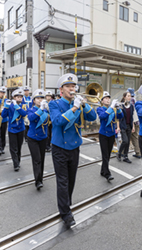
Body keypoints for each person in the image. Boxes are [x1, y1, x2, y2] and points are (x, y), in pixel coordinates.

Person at [49, 73, 97, 227]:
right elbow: (58, 121)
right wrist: (75, 107)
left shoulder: (77, 103)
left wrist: (84, 104)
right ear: (61, 89)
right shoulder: (54, 104)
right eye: (68, 86)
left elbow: (93, 117)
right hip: (59, 147)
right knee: (62, 181)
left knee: (71, 180)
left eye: (73, 86)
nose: (72, 89)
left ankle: (66, 203)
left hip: (74, 146)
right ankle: (65, 213)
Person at [97, 91, 124, 181]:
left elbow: (121, 116)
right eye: (105, 98)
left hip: (112, 134)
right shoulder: (100, 109)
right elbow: (103, 116)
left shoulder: (113, 109)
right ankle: (107, 174)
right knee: (105, 154)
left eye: (109, 98)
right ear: (102, 101)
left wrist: (118, 108)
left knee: (108, 154)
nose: (108, 100)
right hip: (103, 134)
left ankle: (102, 170)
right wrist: (112, 107)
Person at [27, 89, 49, 189]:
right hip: (33, 138)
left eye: (42, 98)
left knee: (42, 159)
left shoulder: (46, 110)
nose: (40, 100)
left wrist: (48, 109)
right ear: (34, 100)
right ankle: (37, 181)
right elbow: (31, 118)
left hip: (43, 137)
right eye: (38, 98)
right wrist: (41, 109)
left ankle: (41, 178)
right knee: (37, 159)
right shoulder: (31, 109)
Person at [2, 88, 28, 171]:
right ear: (14, 97)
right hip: (12, 129)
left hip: (21, 129)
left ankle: (18, 161)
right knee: (13, 148)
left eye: (21, 97)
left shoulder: (23, 105)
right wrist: (6, 107)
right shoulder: (10, 105)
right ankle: (15, 163)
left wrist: (17, 107)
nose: (19, 98)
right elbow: (3, 115)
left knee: (19, 147)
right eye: (17, 97)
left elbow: (24, 114)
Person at [118, 91, 134, 163]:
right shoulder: (121, 106)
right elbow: (118, 117)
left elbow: (131, 117)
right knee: (125, 140)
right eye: (128, 96)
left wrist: (133, 126)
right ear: (124, 97)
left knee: (128, 142)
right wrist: (118, 127)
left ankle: (125, 156)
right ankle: (119, 153)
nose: (129, 97)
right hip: (123, 125)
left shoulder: (131, 106)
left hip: (129, 126)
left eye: (130, 96)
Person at [128, 88, 141, 159]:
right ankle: (138, 152)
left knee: (132, 137)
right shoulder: (135, 99)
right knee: (136, 137)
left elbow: (131, 113)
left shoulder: (131, 100)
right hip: (137, 121)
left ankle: (138, 152)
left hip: (133, 121)